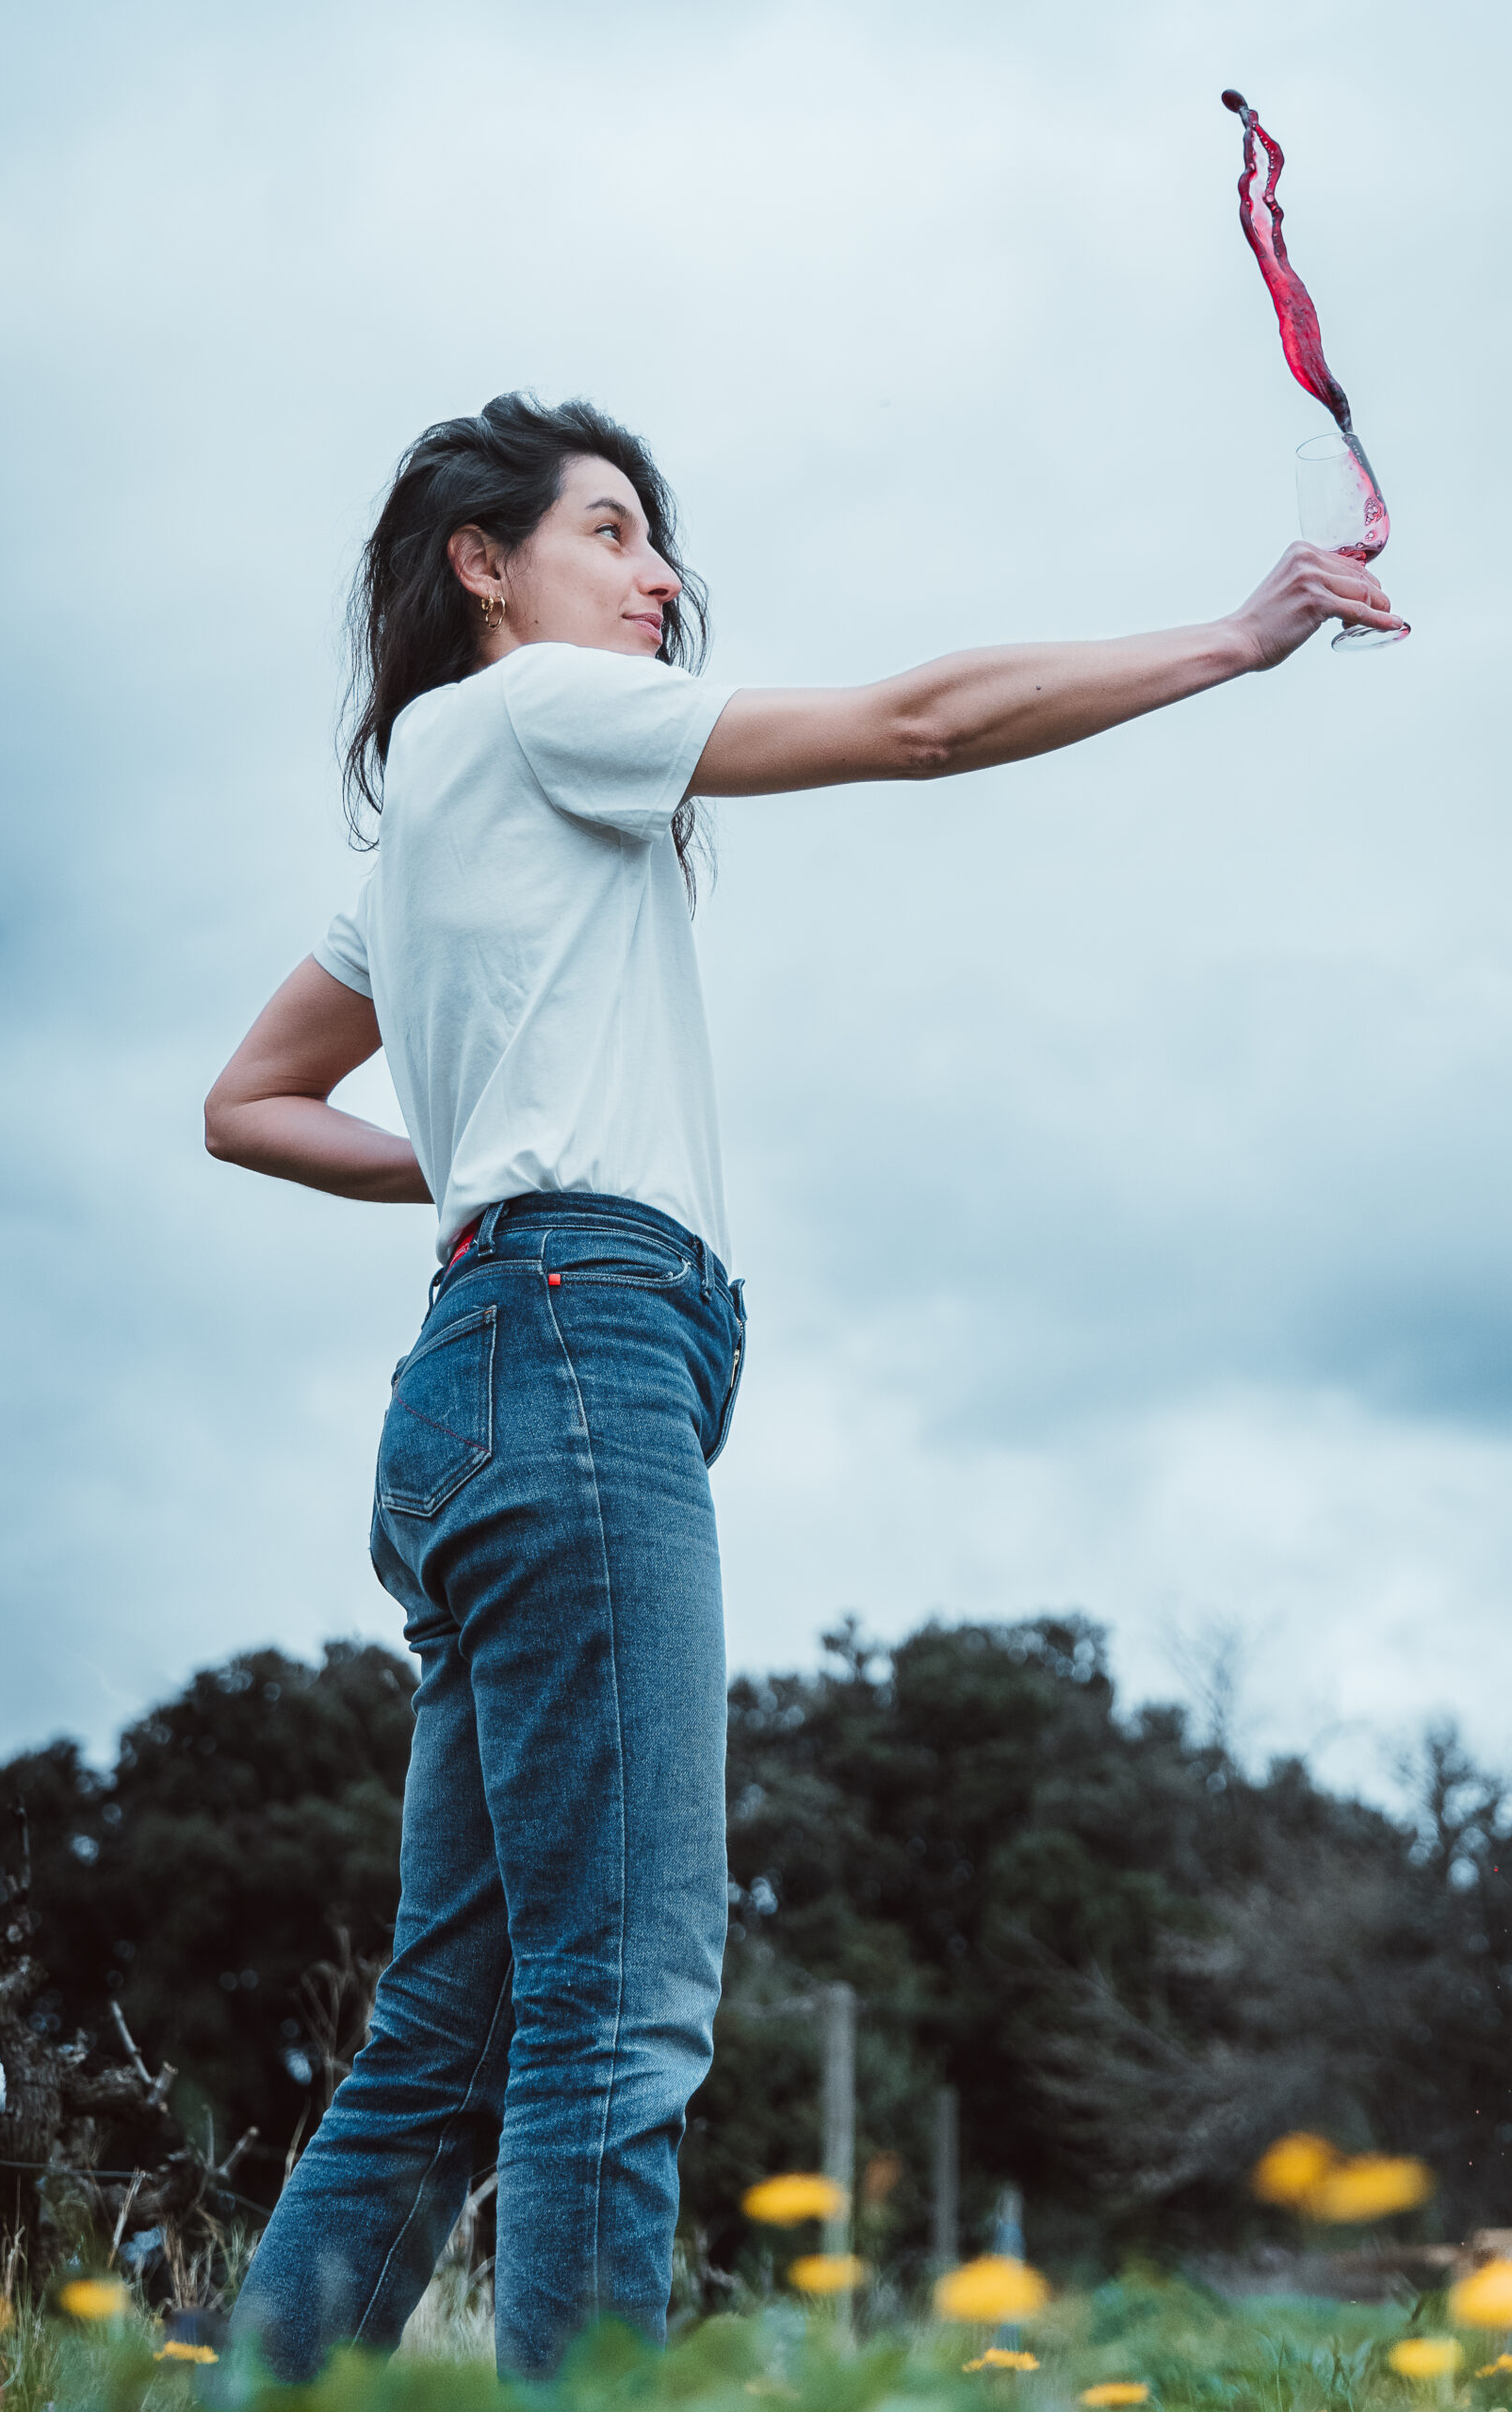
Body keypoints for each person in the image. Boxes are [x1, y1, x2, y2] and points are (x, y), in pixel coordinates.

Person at [204, 389, 1401, 2378]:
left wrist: (479, 1140)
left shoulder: (431, 797)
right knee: (624, 1996)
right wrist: (1230, 637)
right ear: (479, 569)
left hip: (495, 1360)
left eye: (658, 537)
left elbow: (249, 1104)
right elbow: (920, 721)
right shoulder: (517, 713)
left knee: (452, 2020)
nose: (658, 570)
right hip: (579, 1352)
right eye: (607, 532)